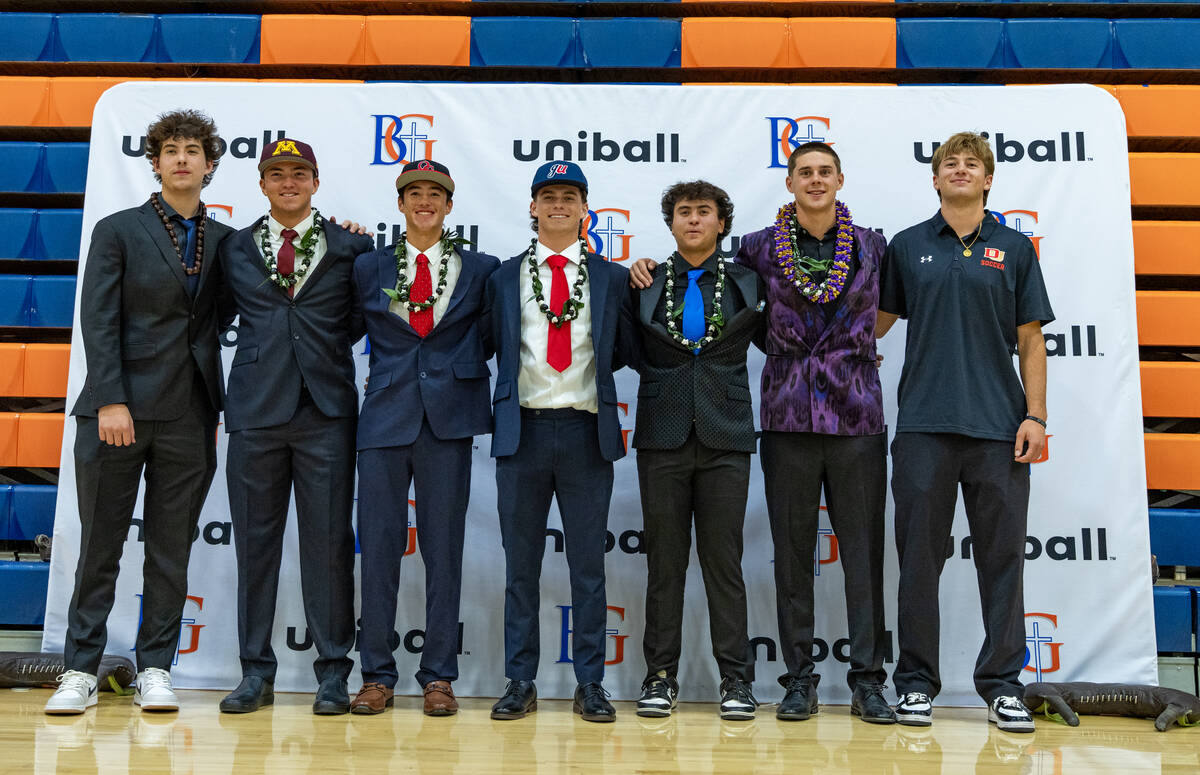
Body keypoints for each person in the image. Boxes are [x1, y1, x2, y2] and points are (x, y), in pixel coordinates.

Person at [47, 109, 232, 715]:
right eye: (171, 150)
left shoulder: (227, 241)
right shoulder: (118, 228)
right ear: (154, 163)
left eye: (193, 150)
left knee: (171, 551)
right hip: (115, 413)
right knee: (100, 545)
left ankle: (156, 667)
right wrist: (112, 399)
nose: (182, 159)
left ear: (210, 163)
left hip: (191, 414)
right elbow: (98, 321)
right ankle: (79, 669)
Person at [876, 131, 1053, 734]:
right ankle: (917, 685)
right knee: (919, 562)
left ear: (988, 179)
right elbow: (870, 326)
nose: (958, 169)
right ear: (934, 178)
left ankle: (1003, 684)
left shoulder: (1015, 247)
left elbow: (1031, 340)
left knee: (1002, 561)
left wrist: (1035, 416)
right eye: (948, 162)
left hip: (1000, 429)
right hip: (923, 426)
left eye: (970, 163)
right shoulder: (904, 246)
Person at [734, 143, 895, 724]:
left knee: (863, 553)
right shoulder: (754, 248)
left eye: (825, 171)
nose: (815, 180)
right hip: (786, 415)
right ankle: (798, 678)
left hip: (857, 416)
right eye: (805, 172)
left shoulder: (874, 244)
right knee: (792, 555)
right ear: (790, 183)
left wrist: (852, 348)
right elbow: (743, 316)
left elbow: (888, 308)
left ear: (841, 179)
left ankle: (868, 681)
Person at [216, 138, 374, 716]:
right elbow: (214, 317)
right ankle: (255, 673)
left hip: (325, 413)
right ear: (261, 184)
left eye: (299, 173)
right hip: (256, 412)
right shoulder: (231, 249)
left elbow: (359, 321)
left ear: (315, 181)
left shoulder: (352, 246)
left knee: (329, 546)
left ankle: (333, 672)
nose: (288, 182)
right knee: (255, 547)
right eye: (277, 174)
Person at [483, 161, 637, 723]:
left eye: (569, 196)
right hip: (521, 432)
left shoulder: (612, 277)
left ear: (583, 208)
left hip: (583, 430)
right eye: (548, 196)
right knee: (520, 566)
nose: (558, 205)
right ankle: (520, 679)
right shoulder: (501, 278)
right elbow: (485, 344)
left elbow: (621, 349)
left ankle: (590, 682)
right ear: (532, 206)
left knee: (588, 567)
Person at [348, 160, 499, 716]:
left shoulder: (481, 269)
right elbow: (344, 329)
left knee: (443, 551)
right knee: (380, 550)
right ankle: (376, 676)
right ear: (401, 203)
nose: (425, 201)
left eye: (435, 193)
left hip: (448, 420)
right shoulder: (369, 266)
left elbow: (486, 337)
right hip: (385, 417)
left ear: (450, 204)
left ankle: (438, 676)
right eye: (415, 193)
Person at [629, 181, 764, 721]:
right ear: (670, 223)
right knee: (664, 563)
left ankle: (736, 680)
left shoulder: (749, 282)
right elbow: (625, 349)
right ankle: (660, 677)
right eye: (682, 212)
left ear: (720, 223)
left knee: (723, 563)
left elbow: (785, 342)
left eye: (702, 212)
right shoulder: (641, 283)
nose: (692, 220)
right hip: (661, 434)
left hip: (725, 434)